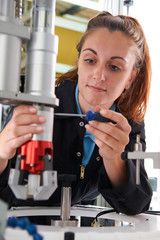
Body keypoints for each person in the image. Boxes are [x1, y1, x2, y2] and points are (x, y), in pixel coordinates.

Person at [0, 11, 152, 215]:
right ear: (79, 61)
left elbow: (136, 204)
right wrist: (1, 151)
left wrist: (114, 158)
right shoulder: (40, 106)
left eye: (115, 67)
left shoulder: (129, 125)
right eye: (90, 60)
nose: (99, 75)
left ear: (131, 77)